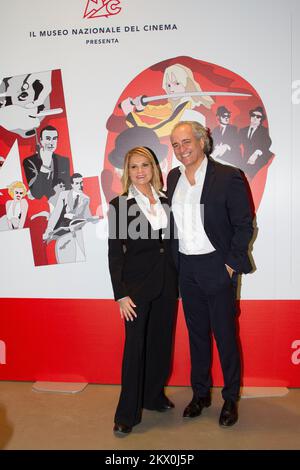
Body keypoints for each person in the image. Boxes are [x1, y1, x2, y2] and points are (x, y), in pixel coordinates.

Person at [167, 121, 254, 427]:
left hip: (217, 266)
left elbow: (244, 225)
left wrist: (229, 265)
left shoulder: (229, 176)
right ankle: (201, 394)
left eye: (186, 142)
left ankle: (231, 398)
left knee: (226, 337)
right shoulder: (173, 176)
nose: (181, 150)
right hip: (187, 269)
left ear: (202, 141)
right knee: (197, 336)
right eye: (175, 145)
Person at [108, 146, 178, 435]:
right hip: (136, 289)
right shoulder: (119, 205)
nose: (140, 171)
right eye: (134, 166)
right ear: (128, 171)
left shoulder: (168, 200)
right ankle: (127, 413)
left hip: (168, 284)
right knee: (134, 349)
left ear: (154, 169)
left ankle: (153, 396)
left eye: (145, 165)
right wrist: (121, 294)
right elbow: (114, 254)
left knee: (161, 345)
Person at [43, 173, 92, 264]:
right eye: (77, 183)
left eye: (81, 183)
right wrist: (49, 229)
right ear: (72, 185)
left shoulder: (86, 198)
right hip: (62, 228)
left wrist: (91, 220)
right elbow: (56, 214)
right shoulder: (64, 195)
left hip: (77, 230)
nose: (80, 185)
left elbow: (87, 216)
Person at [23, 125, 71, 199]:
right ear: (41, 140)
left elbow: (67, 189)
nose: (51, 142)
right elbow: (37, 194)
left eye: (54, 139)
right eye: (48, 139)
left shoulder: (64, 161)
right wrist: (44, 166)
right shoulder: (29, 162)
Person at [239, 106, 273, 179]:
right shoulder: (243, 130)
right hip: (244, 162)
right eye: (253, 115)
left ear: (261, 119)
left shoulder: (264, 131)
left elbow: (267, 142)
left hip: (258, 162)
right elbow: (236, 142)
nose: (255, 118)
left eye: (258, 116)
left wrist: (256, 153)